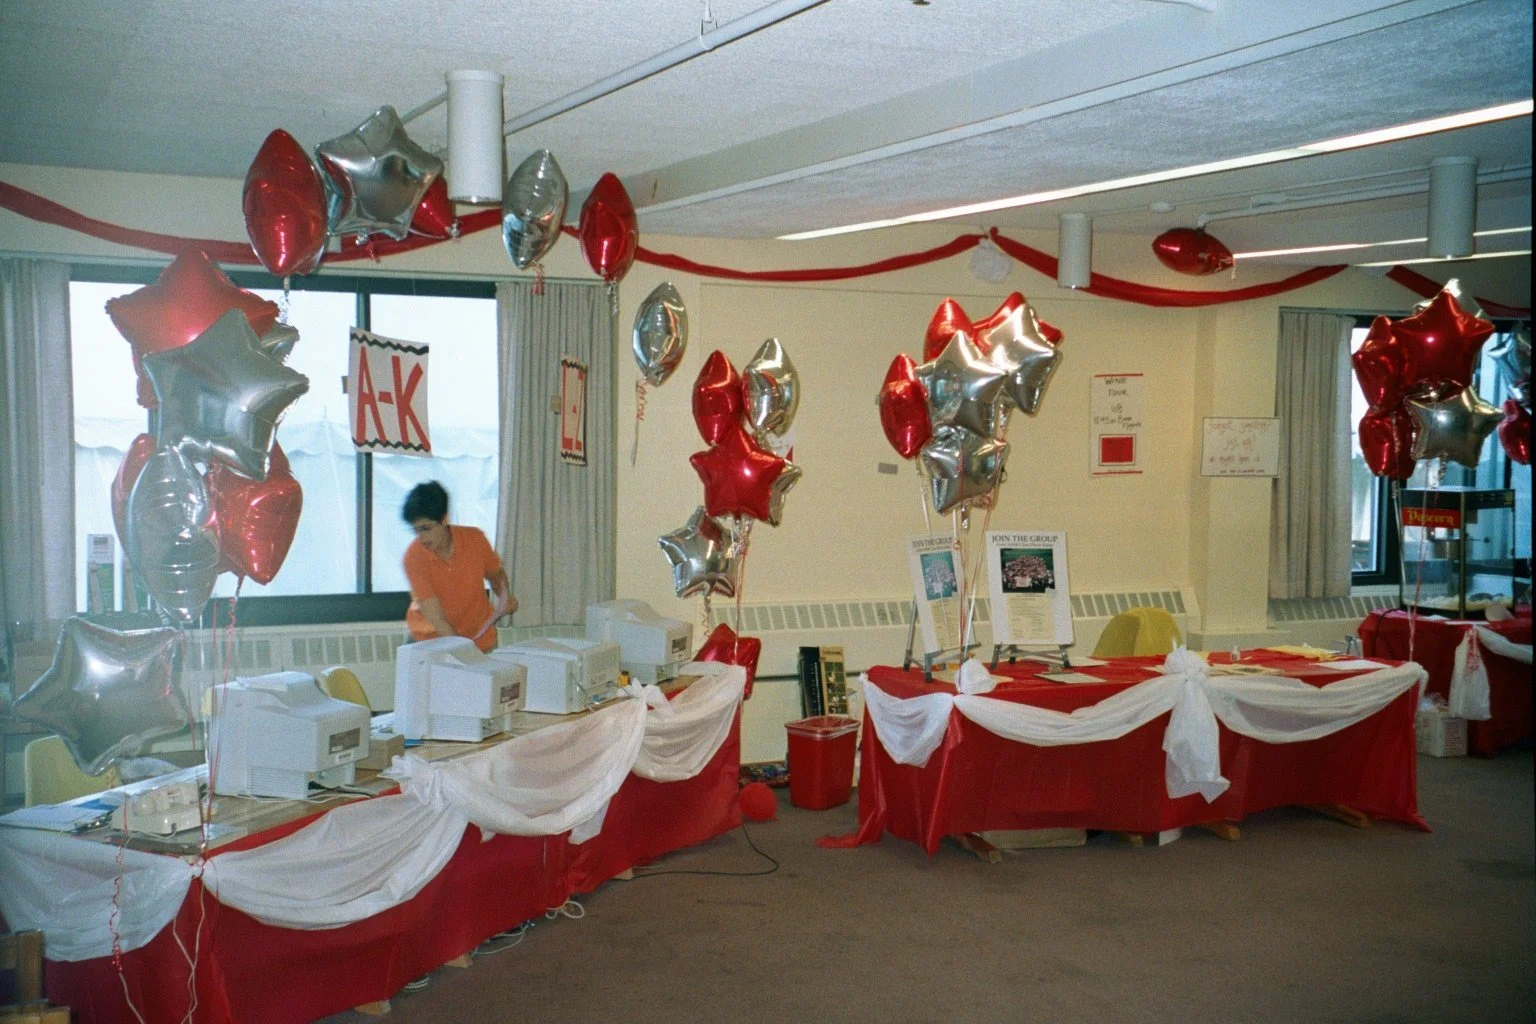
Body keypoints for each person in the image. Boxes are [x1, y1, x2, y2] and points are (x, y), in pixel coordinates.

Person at [401, 481, 516, 653]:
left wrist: (504, 596)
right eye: (416, 530)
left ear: (445, 519)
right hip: (429, 642)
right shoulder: (413, 557)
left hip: (479, 638)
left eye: (426, 528)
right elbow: (438, 619)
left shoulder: (475, 540)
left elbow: (495, 573)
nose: (422, 538)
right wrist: (466, 654)